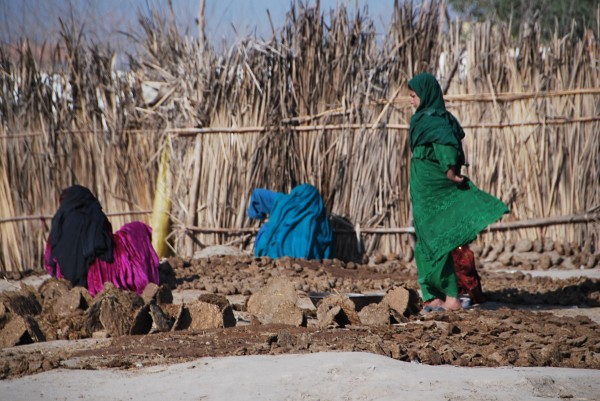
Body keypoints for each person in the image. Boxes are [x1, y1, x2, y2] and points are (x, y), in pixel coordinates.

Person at [407, 72, 509, 310]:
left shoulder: (436, 121)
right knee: (426, 241)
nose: (411, 101)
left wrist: (452, 173)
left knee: (439, 240)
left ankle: (451, 297)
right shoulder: (422, 119)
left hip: (436, 189)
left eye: (414, 96)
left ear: (426, 95)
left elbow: (447, 149)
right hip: (423, 191)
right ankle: (434, 296)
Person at [45, 184, 160, 297]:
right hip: (99, 277)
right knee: (136, 229)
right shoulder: (94, 214)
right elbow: (104, 240)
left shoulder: (58, 227)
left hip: (68, 279)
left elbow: (50, 261)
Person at [248, 183, 333, 260]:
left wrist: (258, 216)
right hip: (310, 261)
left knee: (267, 227)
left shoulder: (285, 203)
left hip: (272, 255)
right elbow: (327, 249)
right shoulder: (322, 221)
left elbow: (258, 194)